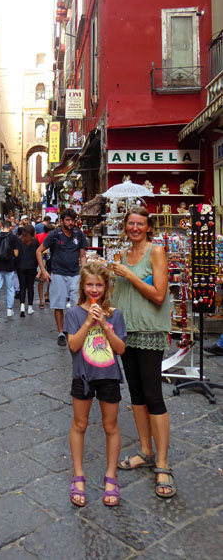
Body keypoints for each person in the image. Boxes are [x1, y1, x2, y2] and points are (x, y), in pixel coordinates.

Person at [112, 207, 175, 499]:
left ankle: (162, 463)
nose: (135, 228)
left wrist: (128, 275)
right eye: (131, 224)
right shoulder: (122, 256)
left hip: (150, 331)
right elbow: (120, 295)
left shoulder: (156, 252)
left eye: (140, 224)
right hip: (128, 333)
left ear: (148, 228)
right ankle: (145, 450)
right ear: (125, 227)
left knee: (153, 395)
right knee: (135, 394)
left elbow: (159, 294)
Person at [64, 262, 126, 507]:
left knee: (110, 426)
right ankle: (78, 476)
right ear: (82, 286)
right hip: (83, 376)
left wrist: (104, 324)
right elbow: (73, 345)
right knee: (80, 424)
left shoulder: (115, 314)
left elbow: (120, 348)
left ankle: (111, 476)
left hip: (109, 375)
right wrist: (89, 322)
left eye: (98, 285)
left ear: (106, 287)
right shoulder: (74, 314)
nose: (94, 289)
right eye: (89, 284)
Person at [37, 208, 88, 346]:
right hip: (58, 273)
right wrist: (43, 270)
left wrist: (85, 274)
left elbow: (82, 255)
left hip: (75, 274)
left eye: (72, 220)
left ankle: (74, 330)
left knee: (77, 305)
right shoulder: (54, 234)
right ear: (62, 221)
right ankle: (61, 332)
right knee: (58, 305)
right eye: (67, 220)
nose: (70, 223)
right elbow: (39, 251)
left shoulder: (79, 234)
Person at [0, 220, 20, 320]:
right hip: (9, 266)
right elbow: (16, 254)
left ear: (1, 226)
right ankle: (9, 309)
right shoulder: (13, 238)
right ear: (10, 227)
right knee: (10, 288)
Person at [16, 224, 39, 317]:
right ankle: (29, 307)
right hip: (32, 266)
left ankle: (22, 306)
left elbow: (16, 254)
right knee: (30, 287)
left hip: (20, 266)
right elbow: (38, 254)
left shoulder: (19, 241)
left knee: (22, 286)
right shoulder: (35, 242)